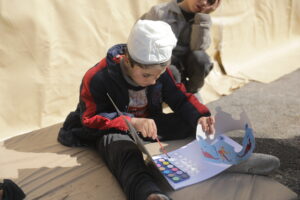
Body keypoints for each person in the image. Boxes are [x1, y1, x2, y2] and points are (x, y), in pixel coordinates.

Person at [57, 20, 279, 200]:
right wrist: (130, 122)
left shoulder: (162, 72)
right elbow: (89, 118)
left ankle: (230, 158)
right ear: (128, 60)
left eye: (159, 75)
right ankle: (149, 193)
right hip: (113, 128)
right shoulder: (98, 77)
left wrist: (202, 117)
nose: (154, 81)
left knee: (192, 121)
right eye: (146, 76)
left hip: (150, 125)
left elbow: (181, 99)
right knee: (123, 152)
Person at [141, 0, 222, 95]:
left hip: (186, 64)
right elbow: (144, 44)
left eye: (210, 1)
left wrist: (202, 18)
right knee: (171, 72)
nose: (204, 2)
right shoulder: (160, 12)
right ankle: (171, 93)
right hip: (164, 63)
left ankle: (190, 91)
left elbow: (198, 48)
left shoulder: (203, 18)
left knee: (201, 59)